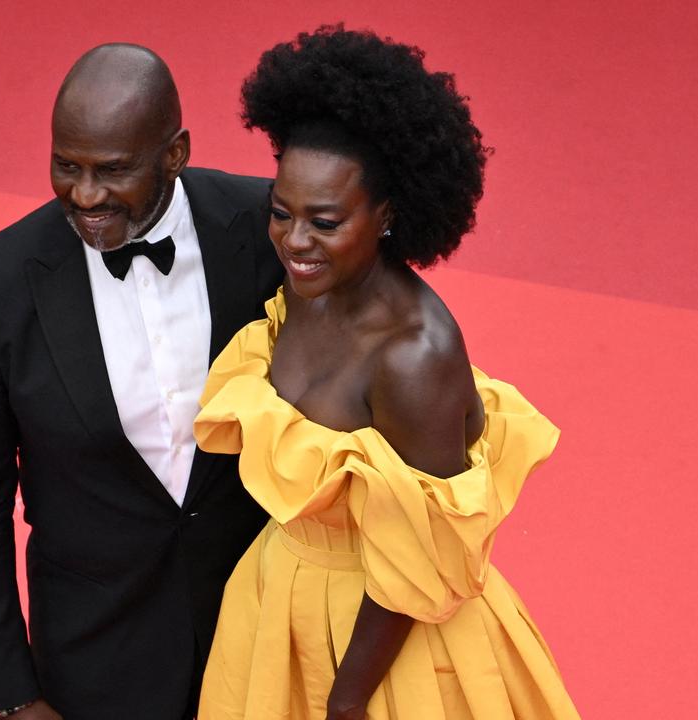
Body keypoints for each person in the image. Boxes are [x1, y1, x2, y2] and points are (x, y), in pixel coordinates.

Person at [193, 27, 582, 719]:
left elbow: (421, 563)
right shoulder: (310, 288)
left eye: (325, 221)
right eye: (281, 213)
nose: (296, 242)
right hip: (277, 609)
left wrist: (342, 707)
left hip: (385, 655)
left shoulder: (415, 356)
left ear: (387, 216)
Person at [0, 44, 284, 720]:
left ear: (175, 154)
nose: (85, 195)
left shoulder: (266, 227)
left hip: (261, 635)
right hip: (96, 657)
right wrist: (9, 695)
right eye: (67, 166)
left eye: (113, 170)